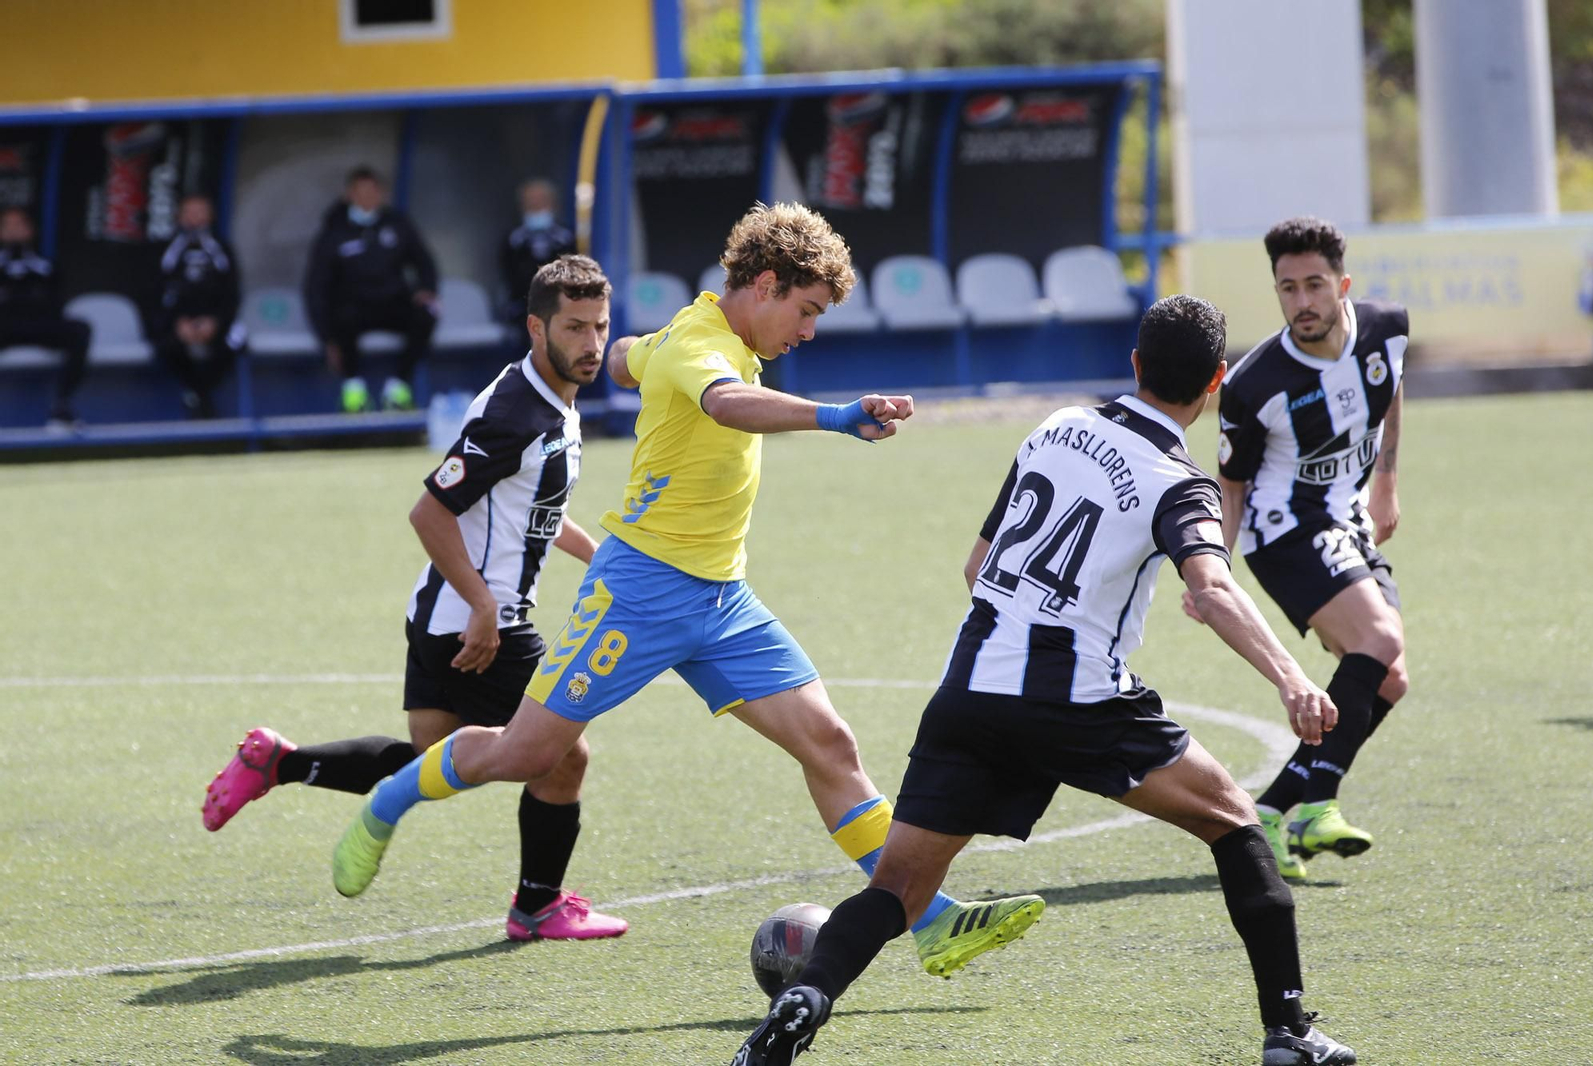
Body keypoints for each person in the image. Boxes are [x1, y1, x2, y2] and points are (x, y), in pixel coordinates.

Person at [329, 201, 1044, 979]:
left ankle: (931, 922)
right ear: (765, 284)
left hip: (722, 598)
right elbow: (725, 403)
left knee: (830, 744)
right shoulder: (705, 345)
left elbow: (634, 357)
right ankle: (390, 798)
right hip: (638, 592)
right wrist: (837, 416)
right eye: (804, 312)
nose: (807, 332)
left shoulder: (698, 333)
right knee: (525, 751)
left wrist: (640, 350)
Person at [732, 295, 1357, 1066]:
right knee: (1234, 823)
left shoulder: (1056, 427)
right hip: (1079, 699)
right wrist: (1294, 678)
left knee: (894, 891)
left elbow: (976, 568)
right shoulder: (1180, 482)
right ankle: (1290, 1034)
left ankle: (799, 1008)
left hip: (969, 689)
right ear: (1217, 381)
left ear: (1134, 364)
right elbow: (1213, 589)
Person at [203, 256, 627, 941]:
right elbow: (429, 513)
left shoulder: (550, 399)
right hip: (485, 621)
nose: (591, 343)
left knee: (433, 760)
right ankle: (539, 906)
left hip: (438, 612)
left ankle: (281, 761)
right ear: (534, 325)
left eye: (600, 327)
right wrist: (485, 607)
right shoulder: (516, 413)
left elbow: (532, 507)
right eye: (574, 327)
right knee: (561, 758)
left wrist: (600, 557)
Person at [1185, 216, 1409, 883]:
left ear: (1341, 284)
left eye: (1315, 285)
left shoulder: (1386, 328)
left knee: (1388, 679)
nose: (1303, 301)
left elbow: (1392, 389)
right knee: (1379, 637)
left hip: (1346, 520)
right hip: (1283, 531)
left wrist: (1387, 484)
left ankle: (1271, 814)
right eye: (1289, 289)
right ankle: (1317, 804)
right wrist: (1212, 571)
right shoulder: (1255, 386)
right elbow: (1228, 485)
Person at [304, 166, 438, 414]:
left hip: (392, 302)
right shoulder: (334, 232)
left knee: (427, 314)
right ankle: (354, 393)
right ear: (349, 195)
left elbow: (424, 260)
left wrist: (426, 288)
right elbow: (316, 286)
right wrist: (326, 338)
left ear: (381, 194)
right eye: (360, 191)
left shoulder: (397, 224)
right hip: (353, 307)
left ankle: (397, 389)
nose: (367, 197)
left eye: (372, 191)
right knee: (340, 319)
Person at [153, 194, 244, 419]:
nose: (195, 219)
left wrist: (215, 321)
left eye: (200, 213)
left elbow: (232, 293)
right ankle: (199, 396)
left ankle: (199, 395)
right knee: (166, 344)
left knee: (235, 343)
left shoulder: (221, 248)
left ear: (211, 216)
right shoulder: (169, 250)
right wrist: (177, 322)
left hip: (215, 321)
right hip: (178, 322)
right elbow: (156, 293)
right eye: (189, 213)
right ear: (179, 217)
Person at [0, 206, 90, 427]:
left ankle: (62, 404)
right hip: (5, 327)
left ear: (30, 230)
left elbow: (56, 303)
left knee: (80, 330)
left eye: (18, 225)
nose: (13, 231)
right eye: (7, 226)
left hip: (39, 326)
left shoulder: (45, 266)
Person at [500, 179, 577, 327]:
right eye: (530, 203)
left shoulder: (565, 238)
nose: (535, 207)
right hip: (523, 307)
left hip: (560, 304)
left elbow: (573, 271)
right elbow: (509, 274)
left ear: (552, 204)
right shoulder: (513, 240)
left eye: (540, 202)